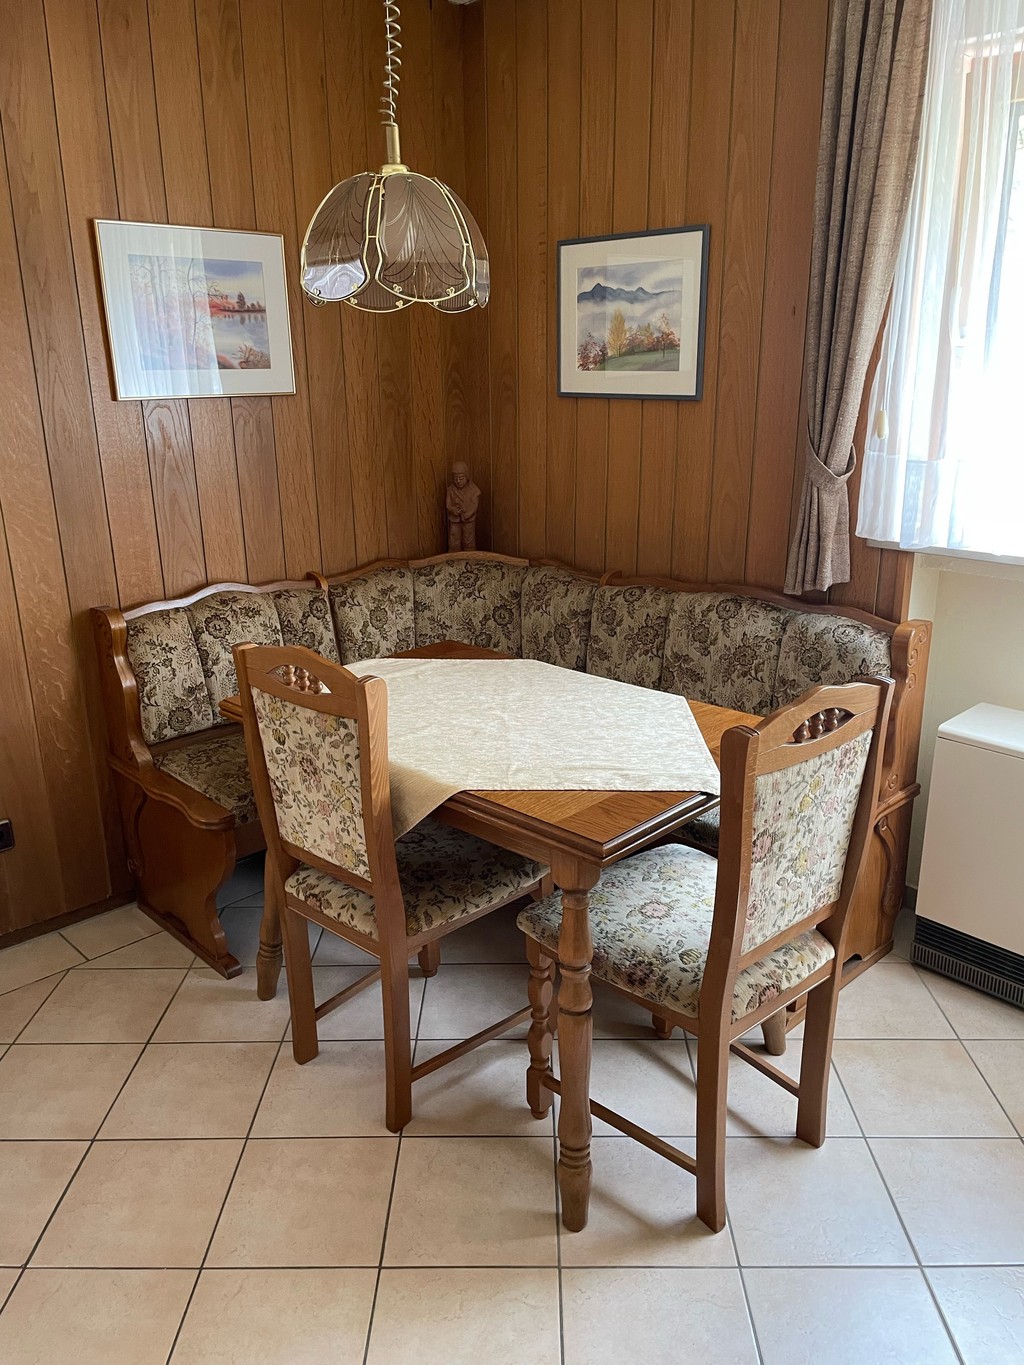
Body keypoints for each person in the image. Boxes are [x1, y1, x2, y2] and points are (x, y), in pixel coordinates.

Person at [445, 461, 481, 551]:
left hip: (468, 520)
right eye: (455, 479)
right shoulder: (450, 490)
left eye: (461, 478)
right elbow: (448, 504)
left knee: (469, 540)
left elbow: (475, 505)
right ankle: (453, 557)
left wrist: (469, 513)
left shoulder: (473, 490)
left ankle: (470, 557)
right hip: (455, 520)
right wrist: (453, 510)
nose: (458, 481)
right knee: (454, 540)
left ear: (467, 477)